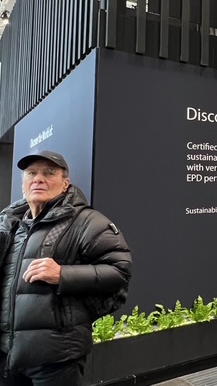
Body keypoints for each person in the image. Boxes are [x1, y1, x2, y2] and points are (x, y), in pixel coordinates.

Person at [0, 151, 132, 385]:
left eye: (49, 173)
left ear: (65, 184)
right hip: (7, 356)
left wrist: (62, 274)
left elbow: (119, 270)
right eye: (31, 173)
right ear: (23, 184)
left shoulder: (88, 222)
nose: (38, 179)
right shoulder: (10, 225)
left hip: (56, 358)